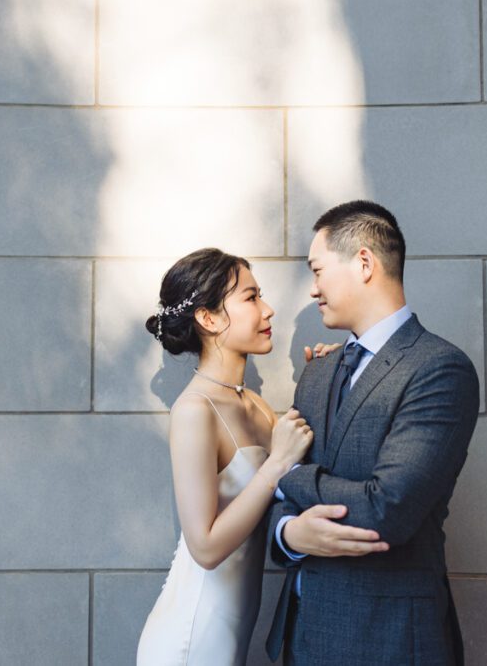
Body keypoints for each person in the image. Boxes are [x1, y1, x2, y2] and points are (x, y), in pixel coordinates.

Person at [266, 200, 481, 665]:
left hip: (389, 643)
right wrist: (288, 532)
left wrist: (285, 471)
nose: (313, 290)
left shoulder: (439, 369)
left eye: (318, 271)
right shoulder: (318, 372)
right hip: (301, 639)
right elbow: (281, 511)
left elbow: (388, 509)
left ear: (364, 262)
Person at [135, 247, 363, 666]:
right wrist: (275, 464)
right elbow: (204, 547)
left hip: (229, 642)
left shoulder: (257, 406)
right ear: (209, 319)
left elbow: (301, 478)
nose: (269, 310)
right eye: (251, 297)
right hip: (189, 639)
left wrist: (325, 382)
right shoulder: (194, 410)